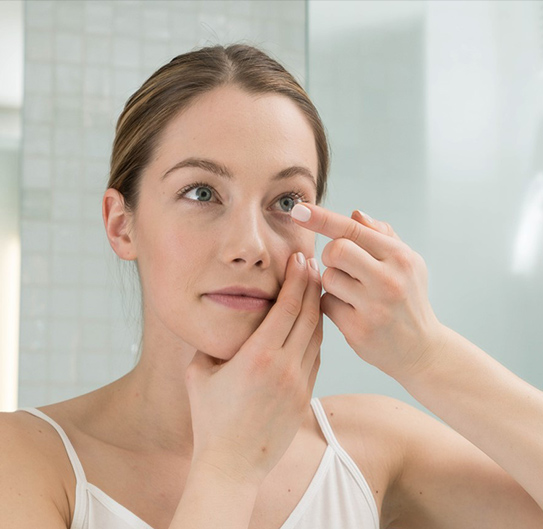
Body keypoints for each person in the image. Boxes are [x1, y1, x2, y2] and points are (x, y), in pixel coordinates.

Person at [0, 43, 541, 529]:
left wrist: (427, 354)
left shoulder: (372, 448)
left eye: (287, 201)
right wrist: (229, 468)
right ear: (122, 224)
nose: (251, 245)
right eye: (201, 192)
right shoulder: (25, 459)